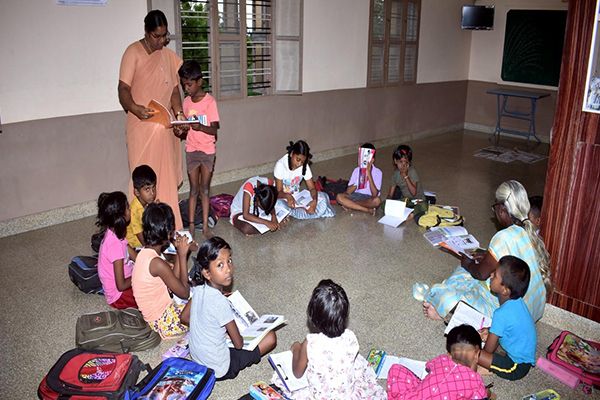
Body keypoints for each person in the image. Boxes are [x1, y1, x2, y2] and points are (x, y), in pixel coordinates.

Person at [423, 180, 551, 322]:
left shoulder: (503, 237)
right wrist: (487, 256)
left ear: (502, 209)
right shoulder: (528, 231)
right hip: (532, 311)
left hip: (512, 317)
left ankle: (446, 311)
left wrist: (467, 263)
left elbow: (481, 274)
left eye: (494, 207)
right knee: (474, 269)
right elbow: (515, 262)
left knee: (450, 289)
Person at [118, 9, 185, 230]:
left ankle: (169, 227)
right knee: (143, 179)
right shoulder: (133, 53)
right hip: (141, 126)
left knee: (165, 181)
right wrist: (135, 108)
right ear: (147, 33)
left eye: (165, 35)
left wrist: (179, 114)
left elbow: (174, 90)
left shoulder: (167, 56)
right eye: (157, 36)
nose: (161, 41)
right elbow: (123, 89)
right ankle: (139, 230)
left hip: (164, 128)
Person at [272, 279, 385, 399]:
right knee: (358, 365)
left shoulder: (311, 343)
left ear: (312, 317)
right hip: (346, 395)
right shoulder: (350, 336)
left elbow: (297, 373)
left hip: (321, 396)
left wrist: (296, 348)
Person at [188, 237, 277, 380]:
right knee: (271, 337)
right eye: (220, 265)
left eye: (229, 260)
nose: (228, 269)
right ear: (206, 273)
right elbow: (239, 344)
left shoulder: (198, 288)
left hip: (198, 358)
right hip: (220, 368)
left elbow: (184, 317)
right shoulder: (220, 302)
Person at [131, 202, 193, 339]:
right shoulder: (157, 263)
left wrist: (178, 252)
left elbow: (172, 280)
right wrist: (183, 256)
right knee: (202, 299)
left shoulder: (145, 253)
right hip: (163, 322)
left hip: (155, 317)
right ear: (169, 233)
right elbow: (184, 293)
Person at [387, 324, 489, 400]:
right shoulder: (476, 382)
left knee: (396, 369)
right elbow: (482, 396)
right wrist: (488, 393)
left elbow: (428, 367)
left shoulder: (442, 359)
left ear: (449, 353)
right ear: (477, 354)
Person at [178, 60, 220, 238]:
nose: (186, 88)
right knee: (193, 189)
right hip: (192, 149)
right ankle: (191, 225)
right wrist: (181, 129)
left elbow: (215, 128)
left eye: (189, 84)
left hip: (207, 151)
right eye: (184, 85)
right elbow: (185, 127)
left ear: (199, 81)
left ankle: (205, 227)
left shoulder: (210, 102)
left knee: (205, 189)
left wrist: (200, 127)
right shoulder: (186, 102)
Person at [478, 256, 536, 381]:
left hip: (516, 366)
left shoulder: (501, 314)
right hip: (514, 351)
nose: (491, 275)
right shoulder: (518, 303)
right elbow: (509, 326)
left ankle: (487, 368)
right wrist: (491, 331)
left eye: (495, 275)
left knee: (472, 353)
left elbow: (488, 350)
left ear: (504, 290)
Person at [96, 192, 138, 309]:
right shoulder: (114, 245)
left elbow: (129, 250)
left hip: (126, 281)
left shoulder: (114, 231)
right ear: (121, 216)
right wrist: (140, 274)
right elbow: (121, 285)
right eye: (128, 208)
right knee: (152, 291)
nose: (130, 210)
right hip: (119, 296)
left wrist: (146, 263)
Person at [274, 140, 335, 219]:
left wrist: (314, 201)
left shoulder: (304, 166)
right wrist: (287, 196)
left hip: (297, 198)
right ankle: (308, 213)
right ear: (292, 154)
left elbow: (312, 188)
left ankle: (296, 213)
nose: (299, 164)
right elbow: (278, 192)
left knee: (323, 196)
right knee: (278, 204)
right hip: (284, 198)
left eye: (302, 162)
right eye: (298, 159)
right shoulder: (280, 165)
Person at [336, 143, 383, 215]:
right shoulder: (356, 170)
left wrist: (369, 174)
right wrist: (359, 180)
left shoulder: (378, 172)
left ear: (372, 160)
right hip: (356, 195)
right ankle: (366, 210)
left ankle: (351, 205)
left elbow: (374, 194)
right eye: (360, 157)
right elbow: (348, 192)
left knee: (377, 201)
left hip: (369, 198)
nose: (361, 160)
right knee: (339, 197)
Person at [126, 165, 157, 249]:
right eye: (147, 189)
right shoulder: (134, 211)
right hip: (136, 247)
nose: (152, 193)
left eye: (153, 188)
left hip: (147, 239)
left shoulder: (147, 203)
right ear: (137, 192)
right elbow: (143, 241)